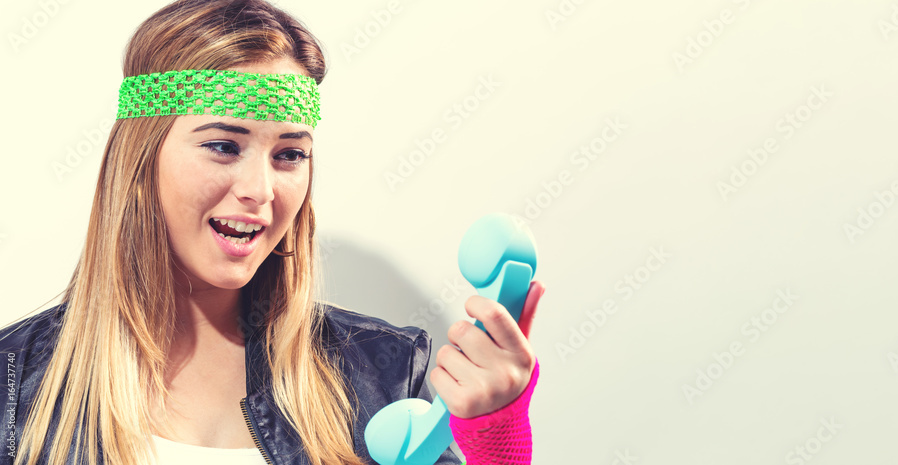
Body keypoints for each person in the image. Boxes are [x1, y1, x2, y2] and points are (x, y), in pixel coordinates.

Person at [0, 0, 543, 463]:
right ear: (141, 160)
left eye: (289, 154)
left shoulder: (388, 378)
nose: (261, 189)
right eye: (222, 146)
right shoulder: (13, 389)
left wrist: (496, 433)